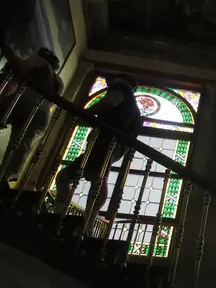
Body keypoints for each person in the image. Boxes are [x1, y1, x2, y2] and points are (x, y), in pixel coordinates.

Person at [54, 74, 141, 231]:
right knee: (68, 176)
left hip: (105, 142)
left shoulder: (121, 89)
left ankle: (82, 222)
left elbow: (110, 102)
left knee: (95, 178)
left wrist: (85, 113)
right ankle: (74, 219)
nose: (108, 86)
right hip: (111, 144)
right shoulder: (133, 109)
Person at [0, 34, 63, 183]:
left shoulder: (41, 61)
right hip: (43, 114)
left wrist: (5, 46)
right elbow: (52, 102)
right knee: (22, 144)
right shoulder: (59, 81)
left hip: (25, 102)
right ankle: (7, 176)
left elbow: (20, 66)